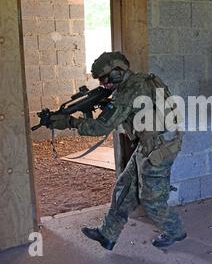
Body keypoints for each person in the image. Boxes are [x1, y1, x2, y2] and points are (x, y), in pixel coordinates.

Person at [48, 51, 186, 250]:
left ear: (117, 72)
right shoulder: (141, 79)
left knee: (152, 200)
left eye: (105, 79)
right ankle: (107, 235)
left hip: (159, 148)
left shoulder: (128, 90)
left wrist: (69, 122)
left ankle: (176, 231)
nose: (103, 84)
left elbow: (100, 128)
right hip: (151, 143)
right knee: (125, 187)